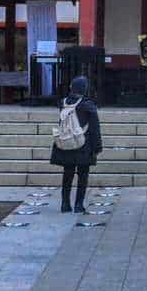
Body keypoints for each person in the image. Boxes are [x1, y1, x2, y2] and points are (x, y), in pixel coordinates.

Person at [50, 75, 103, 213]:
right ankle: (79, 205)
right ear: (85, 88)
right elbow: (94, 128)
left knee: (67, 174)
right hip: (83, 144)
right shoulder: (88, 105)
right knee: (83, 175)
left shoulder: (63, 103)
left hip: (66, 142)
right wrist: (97, 147)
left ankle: (65, 204)